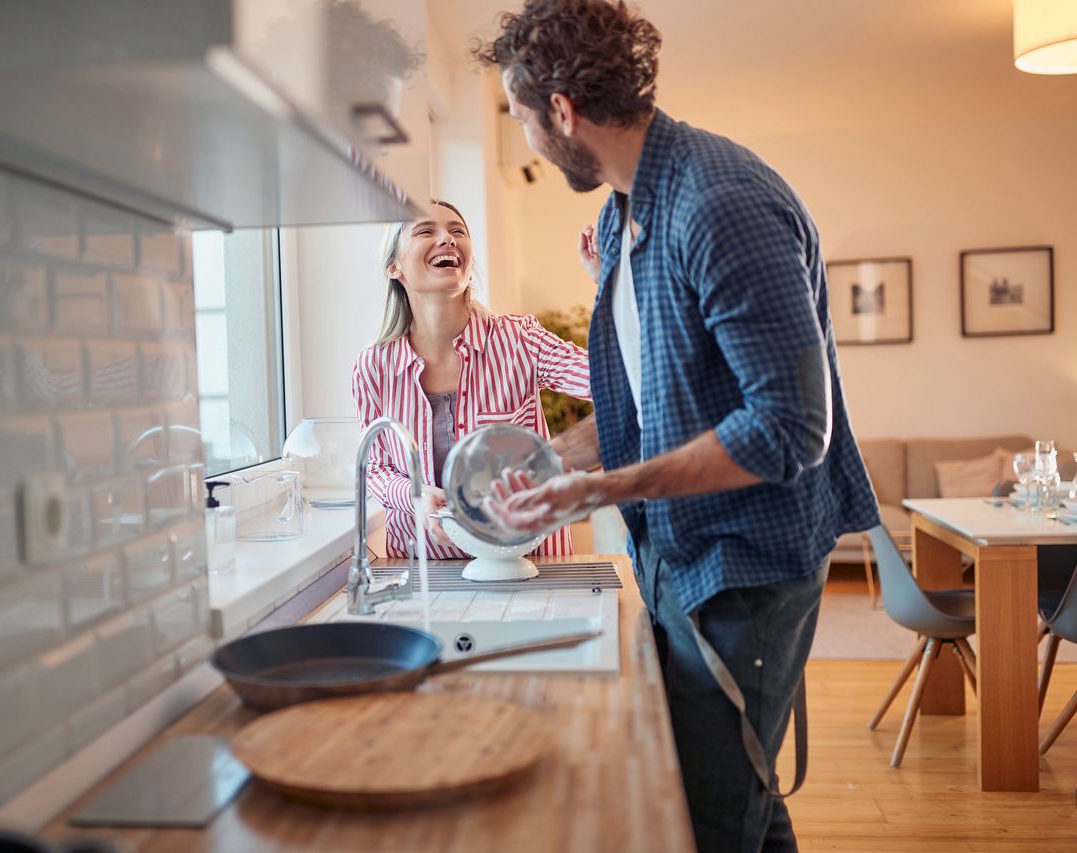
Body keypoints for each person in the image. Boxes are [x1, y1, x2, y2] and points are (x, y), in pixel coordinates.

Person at [474, 3, 881, 851]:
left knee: (709, 816)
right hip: (676, 556)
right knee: (740, 799)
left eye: (519, 120)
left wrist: (604, 487)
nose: (528, 146)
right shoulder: (628, 214)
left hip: (746, 570)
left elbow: (789, 429)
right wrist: (554, 462)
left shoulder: (719, 201)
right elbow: (643, 410)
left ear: (561, 111)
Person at [351, 199, 592, 559]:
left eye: (457, 231)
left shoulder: (520, 339)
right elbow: (376, 467)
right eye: (426, 231)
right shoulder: (374, 367)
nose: (447, 239)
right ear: (394, 266)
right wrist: (415, 497)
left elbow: (611, 381)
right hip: (428, 570)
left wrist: (609, 283)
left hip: (531, 565)